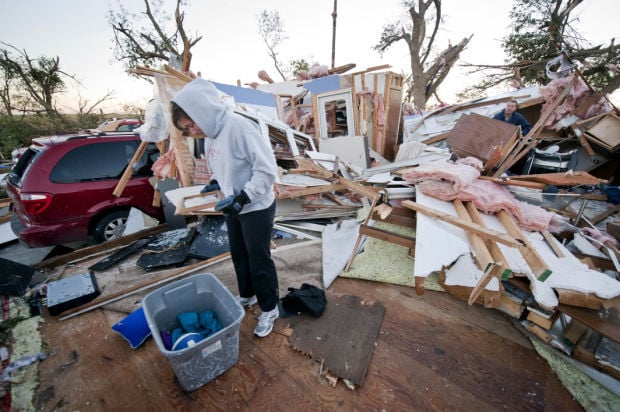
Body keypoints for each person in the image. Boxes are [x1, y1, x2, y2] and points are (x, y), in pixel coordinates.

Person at [170, 77, 280, 338]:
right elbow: (224, 164)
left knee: (259, 259)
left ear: (202, 111)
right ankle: (247, 295)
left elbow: (266, 170)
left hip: (256, 206)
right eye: (186, 130)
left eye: (190, 124)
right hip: (234, 206)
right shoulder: (210, 135)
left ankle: (270, 308)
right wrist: (215, 182)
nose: (192, 132)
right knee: (239, 254)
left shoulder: (240, 127)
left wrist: (243, 197)